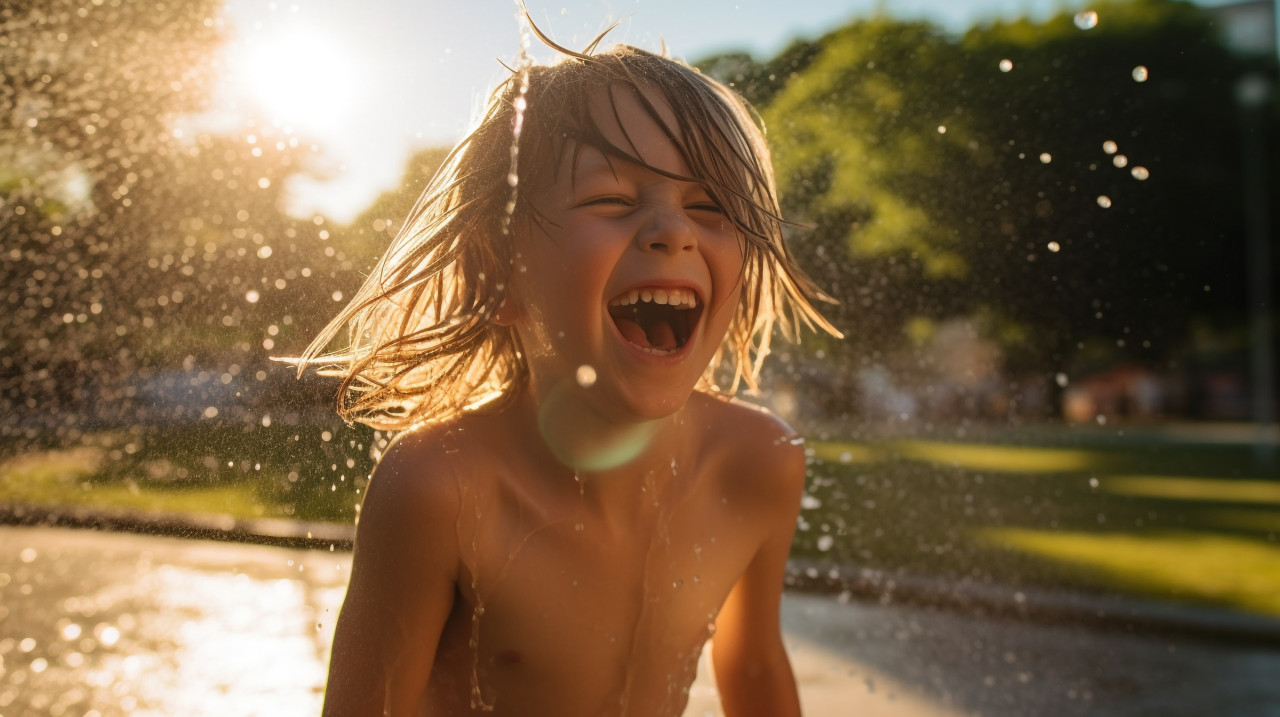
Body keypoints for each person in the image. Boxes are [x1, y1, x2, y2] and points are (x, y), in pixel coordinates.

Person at [297, 24, 839, 717]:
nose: (673, 231)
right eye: (612, 200)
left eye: (710, 207)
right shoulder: (444, 489)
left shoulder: (758, 464)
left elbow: (757, 666)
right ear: (497, 273)